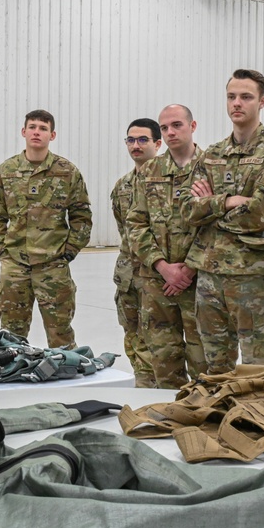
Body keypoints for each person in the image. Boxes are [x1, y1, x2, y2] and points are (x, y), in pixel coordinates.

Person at [179, 69, 264, 375]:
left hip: (253, 276)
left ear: (262, 102)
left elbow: (263, 215)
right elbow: (187, 211)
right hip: (210, 274)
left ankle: (261, 420)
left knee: (258, 366)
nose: (237, 103)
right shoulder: (213, 154)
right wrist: (229, 201)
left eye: (246, 97)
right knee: (214, 366)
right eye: (231, 96)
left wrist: (211, 206)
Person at [0, 109, 92, 348]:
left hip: (52, 266)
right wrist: (3, 251)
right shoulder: (7, 170)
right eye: (32, 127)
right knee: (10, 337)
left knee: (61, 336)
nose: (37, 132)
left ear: (52, 135)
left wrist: (69, 251)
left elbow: (81, 215)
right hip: (14, 266)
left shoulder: (67, 172)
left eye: (43, 128)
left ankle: (64, 377)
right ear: (24, 132)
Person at [126, 106, 206, 388]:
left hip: (200, 284)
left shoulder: (213, 167)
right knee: (163, 360)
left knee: (205, 362)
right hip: (156, 284)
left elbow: (220, 224)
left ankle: (204, 419)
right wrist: (162, 266)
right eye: (164, 128)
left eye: (177, 125)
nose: (171, 132)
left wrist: (189, 268)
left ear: (192, 125)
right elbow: (135, 223)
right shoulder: (150, 171)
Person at [111, 117, 161, 388]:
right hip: (129, 277)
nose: (136, 145)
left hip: (160, 277)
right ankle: (143, 388)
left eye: (143, 140)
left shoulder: (170, 180)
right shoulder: (122, 186)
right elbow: (124, 230)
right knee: (133, 337)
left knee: (164, 342)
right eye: (131, 140)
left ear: (157, 144)